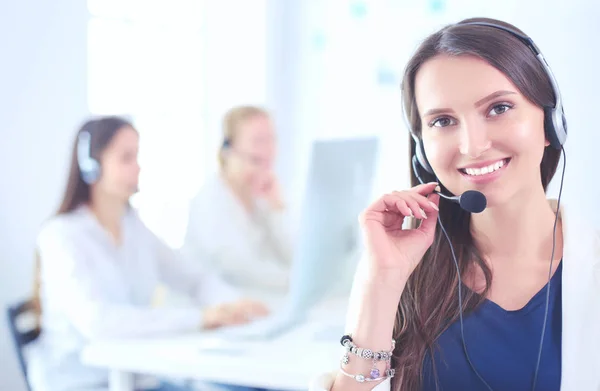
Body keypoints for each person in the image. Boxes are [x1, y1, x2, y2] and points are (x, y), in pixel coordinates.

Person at [311, 18, 599, 391]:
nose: (472, 146)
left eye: (498, 108)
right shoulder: (406, 272)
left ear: (549, 123)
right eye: (443, 120)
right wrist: (382, 281)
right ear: (422, 152)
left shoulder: (590, 267)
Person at [28, 116, 270, 391]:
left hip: (137, 375)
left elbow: (193, 277)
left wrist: (233, 306)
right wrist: (201, 318)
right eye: (126, 158)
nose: (138, 167)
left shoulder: (133, 225)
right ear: (91, 166)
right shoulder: (61, 236)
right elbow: (99, 322)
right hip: (84, 382)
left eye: (138, 156)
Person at [182, 106, 293, 299]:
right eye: (258, 140)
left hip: (255, 304)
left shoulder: (262, 196)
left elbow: (290, 256)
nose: (268, 148)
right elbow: (240, 269)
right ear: (229, 149)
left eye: (271, 139)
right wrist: (293, 281)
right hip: (213, 311)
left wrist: (278, 209)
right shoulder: (211, 200)